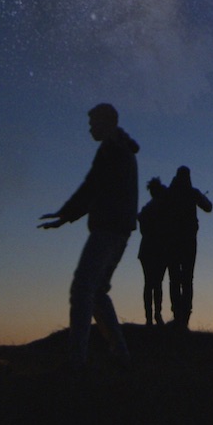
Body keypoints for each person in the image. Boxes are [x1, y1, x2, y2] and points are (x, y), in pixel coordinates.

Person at [38, 102, 140, 368]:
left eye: (93, 123)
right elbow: (95, 187)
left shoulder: (112, 149)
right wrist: (67, 215)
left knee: (83, 289)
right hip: (119, 228)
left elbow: (93, 186)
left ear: (107, 122)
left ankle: (77, 359)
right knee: (95, 291)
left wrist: (65, 214)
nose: (90, 128)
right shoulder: (120, 148)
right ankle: (119, 353)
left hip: (109, 228)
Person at [163, 165, 212, 328]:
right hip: (188, 242)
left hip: (172, 241)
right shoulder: (192, 193)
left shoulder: (170, 193)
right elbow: (208, 207)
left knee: (175, 279)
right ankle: (184, 318)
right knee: (186, 280)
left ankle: (178, 316)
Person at [136, 177, 169, 325]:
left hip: (148, 250)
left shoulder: (146, 209)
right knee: (156, 284)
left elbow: (142, 227)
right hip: (158, 249)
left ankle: (151, 316)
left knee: (150, 283)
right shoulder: (161, 207)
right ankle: (156, 315)